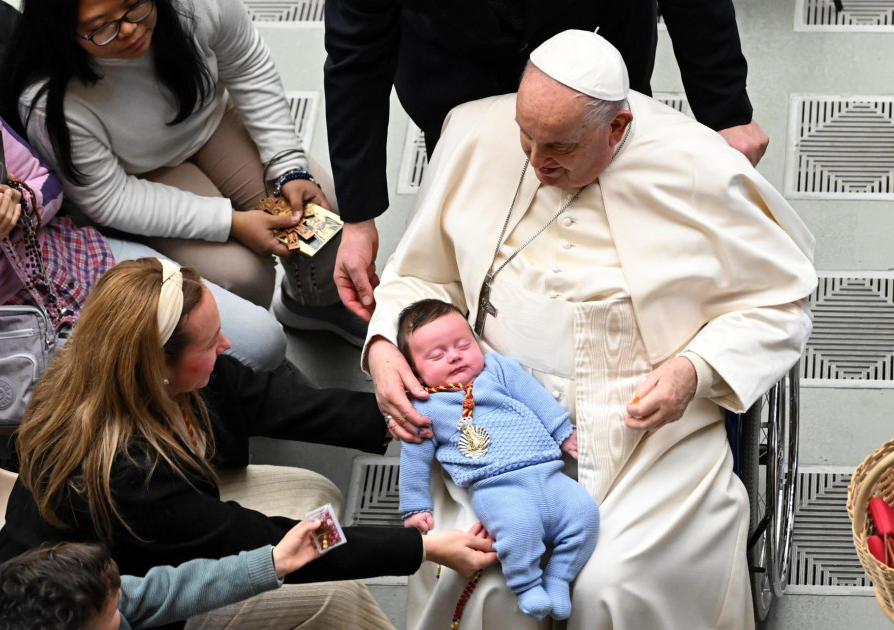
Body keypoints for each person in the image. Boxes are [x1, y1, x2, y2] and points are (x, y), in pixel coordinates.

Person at [363, 30, 818, 630]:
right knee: (486, 576)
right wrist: (383, 348)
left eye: (559, 147)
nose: (534, 162)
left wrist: (693, 371)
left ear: (618, 126)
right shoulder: (477, 131)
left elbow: (779, 300)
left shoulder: (698, 166)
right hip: (493, 410)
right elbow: (420, 277)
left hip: (646, 425)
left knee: (616, 584)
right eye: (526, 137)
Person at [0, 257, 497, 629]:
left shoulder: (122, 374)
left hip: (165, 526)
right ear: (156, 368)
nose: (227, 347)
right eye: (211, 344)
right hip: (102, 601)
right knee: (334, 599)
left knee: (314, 489)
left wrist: (410, 414)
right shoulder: (130, 475)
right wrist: (424, 547)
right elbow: (261, 540)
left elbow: (280, 402)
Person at [324, 0, 771, 322]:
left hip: (592, 31)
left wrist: (726, 113)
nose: (538, 160)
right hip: (457, 64)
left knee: (618, 193)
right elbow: (355, 54)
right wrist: (359, 218)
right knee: (471, 214)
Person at [0, 0, 365, 347]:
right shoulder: (47, 99)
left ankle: (314, 304)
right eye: (101, 28)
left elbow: (248, 64)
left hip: (211, 118)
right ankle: (227, 359)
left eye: (135, 6)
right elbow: (110, 198)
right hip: (140, 173)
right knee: (243, 278)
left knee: (320, 215)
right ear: (61, 31)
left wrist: (289, 166)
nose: (129, 29)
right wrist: (232, 222)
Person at [0, 85, 280, 377]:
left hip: (72, 261)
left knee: (264, 342)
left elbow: (44, 180)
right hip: (8, 332)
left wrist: (22, 201)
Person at [396, 299, 599, 620]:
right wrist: (415, 505)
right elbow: (414, 459)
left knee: (585, 515)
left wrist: (562, 431)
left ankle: (559, 577)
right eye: (437, 355)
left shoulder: (499, 370)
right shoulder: (426, 407)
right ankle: (528, 584)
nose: (454, 355)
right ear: (414, 372)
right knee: (518, 532)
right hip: (497, 488)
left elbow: (536, 397)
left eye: (463, 344)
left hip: (549, 473)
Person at [0, 523, 321, 630]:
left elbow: (172, 589)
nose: (121, 611)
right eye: (112, 615)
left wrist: (273, 562)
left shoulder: (85, 603)